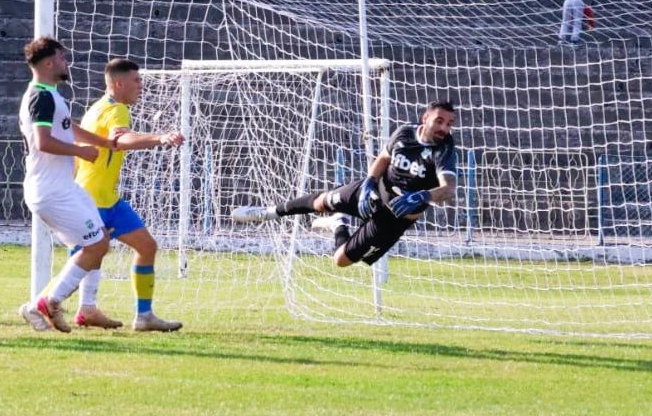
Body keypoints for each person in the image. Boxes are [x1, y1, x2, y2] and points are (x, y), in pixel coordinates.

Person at [231, 101, 459, 267]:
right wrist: (369, 182)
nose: (444, 128)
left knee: (340, 260)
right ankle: (268, 212)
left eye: (449, 124)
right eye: (439, 121)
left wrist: (422, 196)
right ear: (425, 118)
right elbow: (383, 158)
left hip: (394, 218)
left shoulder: (444, 150)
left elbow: (448, 189)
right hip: (374, 192)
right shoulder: (405, 132)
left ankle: (338, 224)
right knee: (321, 202)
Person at [71, 58, 186, 332]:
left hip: (107, 198)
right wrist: (159, 138)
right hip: (93, 199)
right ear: (119, 83)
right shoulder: (117, 110)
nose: (141, 85)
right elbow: (120, 141)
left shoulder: (97, 108)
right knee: (84, 259)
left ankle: (143, 316)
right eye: (136, 80)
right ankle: (47, 304)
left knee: (146, 246)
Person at [15, 36, 115, 334]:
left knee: (100, 239)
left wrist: (106, 143)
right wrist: (81, 152)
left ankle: (80, 308)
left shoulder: (50, 95)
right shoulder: (41, 97)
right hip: (50, 190)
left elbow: (70, 128)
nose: (66, 62)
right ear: (48, 63)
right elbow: (43, 142)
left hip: (63, 187)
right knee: (95, 245)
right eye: (61, 57)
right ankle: (49, 302)